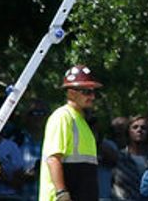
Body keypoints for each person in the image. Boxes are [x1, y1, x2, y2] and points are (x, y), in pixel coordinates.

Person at [39, 66, 102, 201]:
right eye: (86, 91)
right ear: (71, 93)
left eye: (93, 91)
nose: (92, 96)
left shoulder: (81, 121)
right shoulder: (62, 116)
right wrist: (61, 193)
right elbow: (53, 159)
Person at [109, 116, 148, 201]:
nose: (139, 130)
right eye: (135, 127)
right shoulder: (118, 158)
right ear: (128, 132)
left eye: (143, 128)